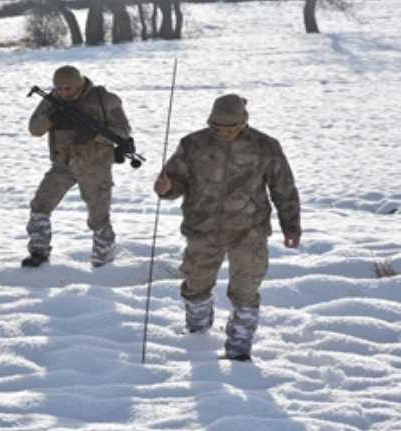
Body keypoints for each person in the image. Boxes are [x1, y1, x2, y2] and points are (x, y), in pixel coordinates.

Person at [153, 94, 301, 361]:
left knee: (245, 291)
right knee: (195, 286)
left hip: (249, 232)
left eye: (231, 129)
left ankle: (239, 349)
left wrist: (291, 227)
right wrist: (166, 188)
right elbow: (175, 180)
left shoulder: (265, 147)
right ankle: (197, 338)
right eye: (217, 129)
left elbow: (284, 189)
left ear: (243, 123)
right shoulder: (192, 144)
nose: (224, 134)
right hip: (202, 229)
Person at [23, 65, 133, 268]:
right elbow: (34, 129)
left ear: (80, 84)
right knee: (40, 206)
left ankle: (103, 263)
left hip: (95, 168)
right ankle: (38, 254)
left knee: (98, 219)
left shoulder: (105, 99)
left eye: (69, 89)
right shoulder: (52, 101)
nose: (64, 93)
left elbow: (124, 131)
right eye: (59, 88)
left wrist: (94, 134)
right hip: (62, 166)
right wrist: (50, 119)